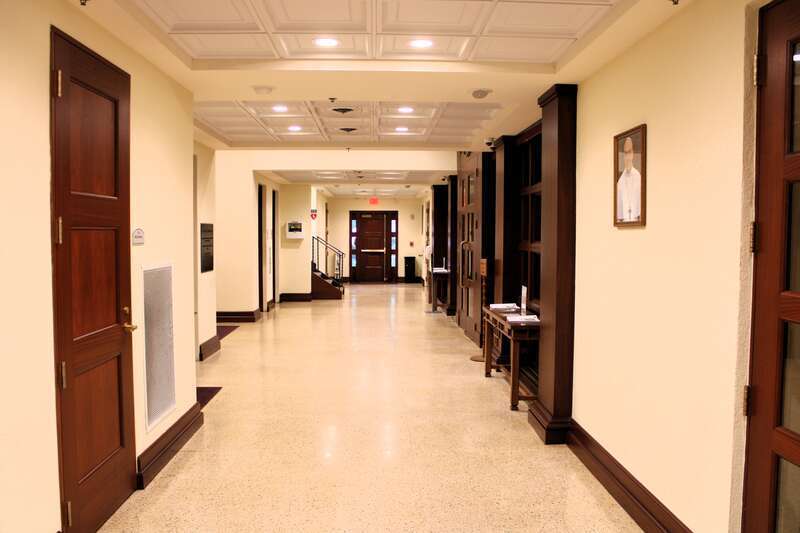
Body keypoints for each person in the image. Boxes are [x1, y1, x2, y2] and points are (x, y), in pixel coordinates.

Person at [616, 136, 641, 223]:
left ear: (633, 153)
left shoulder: (638, 177)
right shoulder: (620, 181)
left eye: (629, 152)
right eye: (625, 153)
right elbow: (619, 212)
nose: (627, 156)